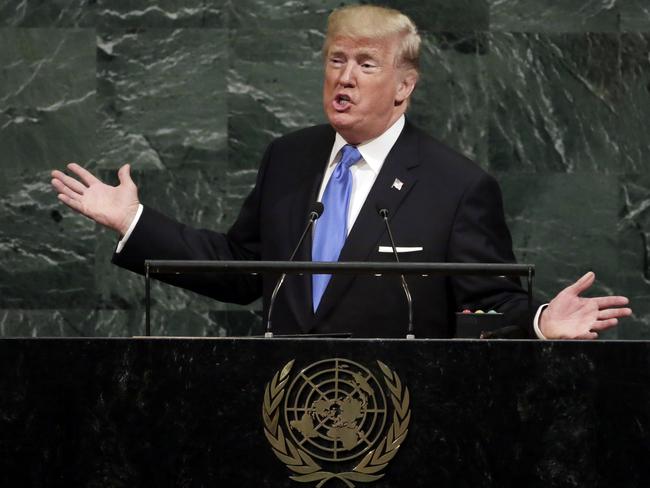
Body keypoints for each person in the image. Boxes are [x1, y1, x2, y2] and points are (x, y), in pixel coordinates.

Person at [51, 5, 630, 339]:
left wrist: (535, 323)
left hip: (396, 420)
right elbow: (246, 268)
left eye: (366, 64)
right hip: (282, 411)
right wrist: (134, 221)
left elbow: (485, 306)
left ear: (404, 86)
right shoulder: (290, 157)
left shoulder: (458, 186)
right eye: (336, 60)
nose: (344, 77)